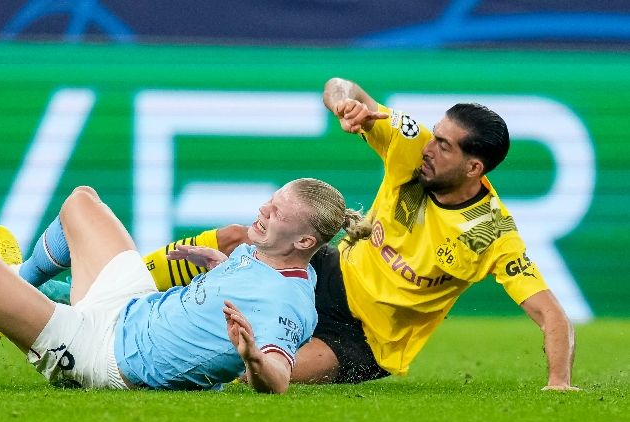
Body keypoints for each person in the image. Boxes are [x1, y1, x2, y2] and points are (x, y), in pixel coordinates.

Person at [95, 77, 577, 391]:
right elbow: (340, 86)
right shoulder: (413, 147)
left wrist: (559, 383)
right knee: (237, 236)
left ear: (474, 167)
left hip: (366, 340)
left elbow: (550, 314)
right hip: (328, 271)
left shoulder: (489, 233)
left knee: (255, 377)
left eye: (444, 145)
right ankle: (116, 287)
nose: (430, 146)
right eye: (434, 135)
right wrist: (346, 106)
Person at [0, 178, 369, 393]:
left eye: (275, 212)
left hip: (102, 356)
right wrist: (217, 266)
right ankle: (16, 281)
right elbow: (245, 279)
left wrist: (252, 355)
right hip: (133, 308)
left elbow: (279, 379)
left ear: (306, 241)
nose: (262, 210)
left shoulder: (288, 303)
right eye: (269, 202)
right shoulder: (265, 252)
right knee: (81, 202)